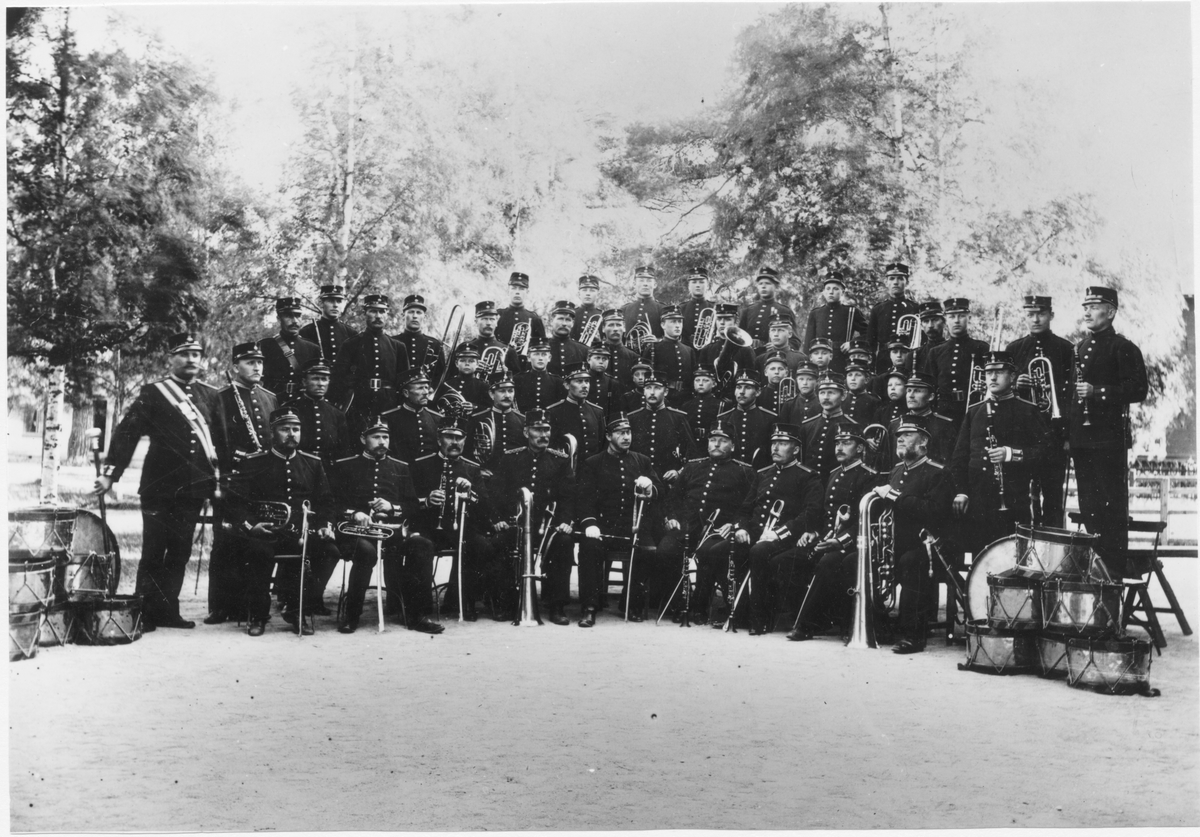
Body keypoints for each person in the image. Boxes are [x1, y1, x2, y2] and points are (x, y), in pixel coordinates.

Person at [95, 332, 220, 631]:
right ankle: (143, 612)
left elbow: (221, 441)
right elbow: (128, 433)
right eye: (184, 354)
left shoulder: (211, 395)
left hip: (193, 488)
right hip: (158, 486)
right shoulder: (153, 392)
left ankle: (168, 611)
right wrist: (111, 474)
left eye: (196, 354)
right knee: (153, 550)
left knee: (180, 552)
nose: (191, 359)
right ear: (171, 358)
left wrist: (219, 482)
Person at [227, 407, 338, 636]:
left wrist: (324, 526)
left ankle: (298, 609)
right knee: (258, 553)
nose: (291, 434)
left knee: (330, 552)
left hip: (299, 533)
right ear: (272, 432)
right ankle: (258, 616)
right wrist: (251, 526)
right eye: (285, 429)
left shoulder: (313, 463)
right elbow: (236, 503)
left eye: (296, 429)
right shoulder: (253, 462)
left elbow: (326, 501)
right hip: (264, 533)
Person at [330, 418, 442, 634]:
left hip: (391, 533)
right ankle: (352, 615)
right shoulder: (345, 466)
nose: (382, 441)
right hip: (357, 533)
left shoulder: (401, 467)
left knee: (423, 545)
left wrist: (393, 508)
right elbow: (333, 503)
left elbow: (412, 506)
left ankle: (417, 615)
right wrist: (354, 513)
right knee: (366, 552)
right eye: (376, 437)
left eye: (385, 437)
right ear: (363, 439)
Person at [1069, 286, 1148, 577]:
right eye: (1085, 307)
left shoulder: (1123, 347)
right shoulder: (1079, 348)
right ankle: (1094, 572)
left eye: (1094, 306)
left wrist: (1097, 391)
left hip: (1108, 441)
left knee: (1110, 509)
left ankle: (1112, 573)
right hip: (1082, 441)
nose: (1087, 312)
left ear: (1111, 312)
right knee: (1089, 506)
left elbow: (1138, 389)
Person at [785, 428, 883, 641]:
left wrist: (840, 541)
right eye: (837, 443)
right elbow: (824, 513)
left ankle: (807, 625)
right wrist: (813, 532)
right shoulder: (834, 473)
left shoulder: (869, 477)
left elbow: (865, 521)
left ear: (860, 448)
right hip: (827, 537)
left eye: (846, 443)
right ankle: (801, 617)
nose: (839, 447)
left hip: (854, 542)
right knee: (787, 559)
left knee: (828, 562)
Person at [950, 351, 1051, 555]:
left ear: (1012, 376)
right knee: (979, 557)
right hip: (978, 498)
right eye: (989, 373)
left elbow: (1045, 453)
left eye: (999, 372)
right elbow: (960, 458)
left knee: (1011, 556)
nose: (993, 378)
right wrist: (962, 491)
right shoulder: (974, 411)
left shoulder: (1028, 410)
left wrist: (1010, 454)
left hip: (1013, 498)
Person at [658, 420, 757, 625]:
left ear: (733, 446)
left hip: (719, 530)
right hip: (688, 526)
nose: (716, 444)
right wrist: (672, 518)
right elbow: (672, 499)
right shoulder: (692, 467)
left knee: (707, 553)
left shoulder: (745, 472)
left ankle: (698, 606)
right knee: (666, 550)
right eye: (713, 440)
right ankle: (678, 603)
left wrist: (736, 525)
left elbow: (749, 506)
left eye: (723, 441)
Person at [207, 341, 277, 625]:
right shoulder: (220, 397)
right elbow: (213, 440)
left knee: (256, 541)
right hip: (232, 478)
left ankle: (250, 605)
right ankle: (220, 606)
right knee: (226, 541)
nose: (257, 367)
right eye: (250, 362)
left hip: (262, 481)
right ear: (236, 366)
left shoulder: (270, 398)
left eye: (259, 362)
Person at [873, 415, 953, 654]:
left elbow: (935, 513)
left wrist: (894, 496)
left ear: (923, 441)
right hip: (895, 543)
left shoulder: (938, 472)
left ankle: (913, 636)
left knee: (910, 562)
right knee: (864, 558)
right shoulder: (896, 471)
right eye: (899, 435)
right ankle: (880, 627)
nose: (900, 439)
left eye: (907, 435)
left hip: (928, 545)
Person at [575, 413, 664, 626]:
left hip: (633, 527)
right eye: (621, 433)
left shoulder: (642, 461)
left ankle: (630, 603)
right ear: (608, 436)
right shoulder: (593, 463)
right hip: (603, 528)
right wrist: (590, 523)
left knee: (647, 550)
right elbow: (584, 498)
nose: (626, 437)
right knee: (589, 548)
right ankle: (589, 607)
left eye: (629, 432)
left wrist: (650, 486)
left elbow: (661, 490)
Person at [489, 409, 576, 625]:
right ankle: (506, 602)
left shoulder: (560, 460)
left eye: (547, 430)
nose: (543, 435)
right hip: (516, 524)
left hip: (547, 526)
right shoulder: (510, 458)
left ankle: (556, 605)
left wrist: (565, 522)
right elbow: (496, 493)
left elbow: (568, 497)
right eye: (538, 430)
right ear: (526, 432)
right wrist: (498, 519)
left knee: (564, 542)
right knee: (499, 542)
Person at [409, 419, 496, 621]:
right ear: (439, 440)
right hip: (429, 527)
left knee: (482, 546)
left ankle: (462, 600)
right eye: (449, 437)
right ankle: (421, 608)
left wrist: (470, 493)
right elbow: (408, 502)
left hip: (460, 528)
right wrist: (426, 501)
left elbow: (485, 507)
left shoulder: (472, 469)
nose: (455, 442)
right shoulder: (421, 465)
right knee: (421, 546)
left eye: (459, 438)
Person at [740, 423, 823, 635]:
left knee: (759, 552)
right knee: (726, 548)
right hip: (757, 532)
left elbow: (810, 512)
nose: (775, 448)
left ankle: (758, 618)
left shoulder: (807, 476)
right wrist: (742, 528)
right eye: (773, 443)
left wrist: (779, 533)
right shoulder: (763, 474)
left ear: (796, 449)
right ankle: (738, 611)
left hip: (786, 538)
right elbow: (746, 507)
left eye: (783, 444)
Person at [1006, 294, 1074, 528]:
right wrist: (1016, 385)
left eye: (1041, 314)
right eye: (1030, 314)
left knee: (1053, 495)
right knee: (1021, 495)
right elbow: (1003, 391)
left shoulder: (1065, 349)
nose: (1035, 319)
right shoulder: (1014, 348)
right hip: (1022, 434)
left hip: (1054, 433)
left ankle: (1053, 541)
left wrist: (1067, 435)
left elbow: (1071, 395)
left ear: (1051, 315)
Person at [328, 294, 408, 425]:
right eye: (373, 311)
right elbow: (338, 379)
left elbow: (404, 383)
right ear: (365, 313)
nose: (378, 316)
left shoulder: (398, 347)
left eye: (382, 311)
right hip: (359, 404)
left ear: (387, 314)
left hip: (389, 405)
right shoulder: (351, 344)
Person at [921, 297, 989, 431]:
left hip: (973, 408)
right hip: (943, 412)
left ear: (969, 318)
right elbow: (930, 386)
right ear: (946, 320)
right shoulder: (936, 352)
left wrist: (984, 385)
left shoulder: (981, 348)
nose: (957, 320)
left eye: (961, 316)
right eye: (952, 316)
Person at [873, 371, 956, 473]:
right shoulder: (895, 425)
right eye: (908, 391)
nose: (911, 395)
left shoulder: (943, 425)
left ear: (931, 396)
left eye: (917, 391)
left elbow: (947, 465)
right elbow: (886, 465)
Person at [628, 375, 698, 482]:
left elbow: (691, 450)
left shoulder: (678, 418)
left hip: (667, 477)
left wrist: (679, 472)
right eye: (648, 388)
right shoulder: (633, 418)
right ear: (644, 391)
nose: (652, 392)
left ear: (665, 392)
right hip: (638, 477)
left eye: (657, 388)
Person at [285, 359, 351, 466]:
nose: (320, 384)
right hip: (299, 466)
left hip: (328, 468)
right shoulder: (292, 409)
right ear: (304, 382)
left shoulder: (337, 414)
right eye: (315, 379)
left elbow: (343, 450)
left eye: (324, 379)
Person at [801, 372, 861, 484]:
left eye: (831, 393)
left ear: (843, 396)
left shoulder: (851, 426)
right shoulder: (808, 426)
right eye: (822, 393)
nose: (826, 397)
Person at [260, 297, 321, 401]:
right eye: (288, 316)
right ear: (279, 318)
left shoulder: (312, 348)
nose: (295, 321)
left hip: (302, 404)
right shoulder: (265, 346)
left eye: (298, 316)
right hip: (273, 402)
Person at [803, 273, 866, 373]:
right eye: (828, 289)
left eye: (835, 289)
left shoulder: (851, 312)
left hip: (843, 360)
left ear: (842, 292)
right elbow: (808, 344)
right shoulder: (815, 313)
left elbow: (868, 334)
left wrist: (852, 343)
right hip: (819, 363)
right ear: (824, 292)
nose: (831, 292)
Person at [546, 362, 606, 464]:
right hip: (566, 467)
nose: (585, 386)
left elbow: (602, 444)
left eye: (587, 381)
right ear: (567, 385)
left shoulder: (597, 411)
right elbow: (551, 446)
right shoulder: (554, 411)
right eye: (579, 381)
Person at [716, 369, 777, 470]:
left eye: (748, 388)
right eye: (738, 387)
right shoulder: (724, 418)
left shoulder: (770, 418)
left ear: (758, 392)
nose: (742, 392)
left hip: (759, 471)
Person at [865, 262, 919, 373]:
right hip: (883, 359)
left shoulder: (914, 307)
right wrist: (871, 365)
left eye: (900, 278)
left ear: (907, 282)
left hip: (907, 358)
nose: (895, 282)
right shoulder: (878, 309)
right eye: (892, 278)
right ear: (886, 282)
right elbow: (871, 341)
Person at [383, 368, 443, 465]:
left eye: (426, 387)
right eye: (420, 388)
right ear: (406, 393)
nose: (426, 392)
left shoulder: (436, 418)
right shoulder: (390, 418)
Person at [467, 373, 526, 473]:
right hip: (486, 475)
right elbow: (467, 452)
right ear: (491, 394)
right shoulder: (477, 419)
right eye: (502, 391)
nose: (507, 395)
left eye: (510, 391)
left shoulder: (523, 420)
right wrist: (477, 470)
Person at [642, 304, 696, 406]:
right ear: (663, 325)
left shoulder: (689, 350)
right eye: (673, 321)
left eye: (680, 321)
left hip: (686, 399)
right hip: (663, 399)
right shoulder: (653, 348)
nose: (677, 325)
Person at [699, 303, 755, 398]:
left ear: (736, 322)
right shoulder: (707, 349)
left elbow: (750, 377)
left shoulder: (746, 350)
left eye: (728, 319)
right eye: (719, 319)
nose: (722, 323)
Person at [392, 293, 446, 385]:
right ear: (403, 315)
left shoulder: (435, 344)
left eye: (419, 312)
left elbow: (440, 375)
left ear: (425, 316)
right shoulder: (392, 342)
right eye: (411, 312)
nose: (415, 316)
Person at [299, 284, 358, 368]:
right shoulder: (307, 331)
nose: (335, 305)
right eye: (331, 301)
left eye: (339, 301)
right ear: (321, 303)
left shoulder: (351, 333)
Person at [457, 300, 520, 377]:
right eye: (484, 319)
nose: (488, 323)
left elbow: (516, 379)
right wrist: (470, 369)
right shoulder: (463, 348)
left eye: (492, 319)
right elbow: (451, 377)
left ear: (497, 322)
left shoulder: (508, 350)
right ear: (476, 322)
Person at [739, 266, 798, 347]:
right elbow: (739, 337)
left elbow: (795, 342)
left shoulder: (785, 311)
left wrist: (778, 346)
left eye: (767, 283)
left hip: (773, 354)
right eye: (760, 284)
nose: (763, 286)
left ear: (776, 287)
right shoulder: (748, 310)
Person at [495, 271, 546, 350]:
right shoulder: (498, 315)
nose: (517, 292)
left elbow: (541, 348)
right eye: (513, 288)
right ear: (508, 291)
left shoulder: (535, 319)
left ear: (527, 292)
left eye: (522, 289)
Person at [682, 366, 730, 444]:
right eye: (697, 380)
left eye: (705, 381)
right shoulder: (686, 405)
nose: (700, 384)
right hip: (691, 444)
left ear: (713, 384)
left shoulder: (721, 405)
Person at [514, 339, 564, 413]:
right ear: (528, 358)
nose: (540, 358)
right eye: (536, 354)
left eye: (544, 354)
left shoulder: (558, 381)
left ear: (549, 358)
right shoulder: (518, 379)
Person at [436, 346, 490, 413]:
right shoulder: (446, 384)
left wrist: (475, 407)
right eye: (463, 361)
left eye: (471, 361)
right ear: (456, 363)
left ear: (477, 364)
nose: (467, 364)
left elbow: (489, 409)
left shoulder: (483, 387)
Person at [599, 307, 641, 389]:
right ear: (603, 328)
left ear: (624, 328)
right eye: (611, 325)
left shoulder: (633, 356)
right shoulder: (596, 354)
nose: (615, 329)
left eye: (618, 325)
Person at [545, 300, 589, 377]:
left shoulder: (584, 350)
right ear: (551, 321)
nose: (564, 324)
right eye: (560, 319)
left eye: (568, 320)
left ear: (573, 323)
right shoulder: (543, 347)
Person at [622, 264, 665, 340]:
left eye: (649, 281)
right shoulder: (625, 309)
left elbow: (671, 338)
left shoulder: (662, 309)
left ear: (655, 284)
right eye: (641, 280)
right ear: (634, 284)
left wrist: (658, 341)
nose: (645, 284)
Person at [678, 267, 715, 349]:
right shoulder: (681, 308)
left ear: (707, 286)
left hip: (708, 350)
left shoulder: (714, 308)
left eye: (701, 282)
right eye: (694, 282)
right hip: (686, 350)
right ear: (689, 286)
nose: (698, 285)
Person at [912, 299, 946, 372]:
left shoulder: (951, 349)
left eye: (935, 320)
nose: (930, 325)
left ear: (944, 323)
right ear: (921, 326)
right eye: (926, 321)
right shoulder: (915, 355)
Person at [585, 345, 617, 416]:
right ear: (588, 360)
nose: (601, 362)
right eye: (597, 358)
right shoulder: (582, 380)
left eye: (604, 359)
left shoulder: (612, 382)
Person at [572, 273, 604, 344]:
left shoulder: (602, 315)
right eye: (584, 290)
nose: (588, 293)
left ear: (598, 294)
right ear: (579, 294)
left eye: (592, 290)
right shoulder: (572, 313)